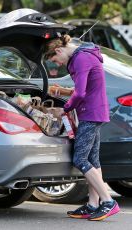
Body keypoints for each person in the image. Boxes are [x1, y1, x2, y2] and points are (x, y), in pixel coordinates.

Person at [43, 34, 120, 221]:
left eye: (55, 60)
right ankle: (93, 204)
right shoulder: (85, 55)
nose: (58, 64)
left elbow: (80, 93)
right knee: (93, 160)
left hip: (90, 113)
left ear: (59, 50)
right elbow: (84, 87)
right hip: (95, 112)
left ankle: (108, 201)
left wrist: (65, 109)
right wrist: (63, 92)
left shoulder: (81, 58)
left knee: (80, 159)